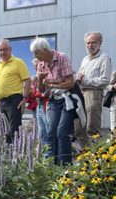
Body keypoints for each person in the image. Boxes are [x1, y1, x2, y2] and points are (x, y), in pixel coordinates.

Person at [30, 37, 84, 165]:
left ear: (45, 50)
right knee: (51, 131)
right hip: (54, 99)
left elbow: (71, 83)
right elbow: (42, 90)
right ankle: (52, 164)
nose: (35, 56)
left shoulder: (62, 58)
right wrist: (42, 81)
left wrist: (52, 85)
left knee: (62, 132)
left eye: (37, 53)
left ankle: (65, 164)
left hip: (68, 99)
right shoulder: (41, 64)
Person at [75, 31, 112, 141]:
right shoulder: (85, 59)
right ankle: (83, 152)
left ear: (99, 43)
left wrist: (85, 81)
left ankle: (95, 153)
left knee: (92, 125)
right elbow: (81, 75)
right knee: (79, 124)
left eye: (93, 42)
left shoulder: (104, 58)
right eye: (88, 43)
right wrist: (77, 77)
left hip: (94, 93)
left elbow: (105, 80)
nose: (90, 45)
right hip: (81, 93)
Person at [0, 39, 31, 144]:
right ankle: (7, 154)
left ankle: (16, 154)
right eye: (0, 50)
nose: (2, 52)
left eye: (4, 50)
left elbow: (27, 80)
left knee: (14, 130)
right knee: (3, 130)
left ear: (10, 49)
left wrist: (25, 98)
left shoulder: (18, 62)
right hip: (2, 102)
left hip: (14, 100)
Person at [31, 58, 50, 146]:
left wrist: (38, 94)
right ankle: (44, 152)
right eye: (34, 66)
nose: (36, 68)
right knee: (41, 131)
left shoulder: (45, 75)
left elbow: (43, 93)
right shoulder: (36, 77)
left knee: (46, 129)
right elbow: (34, 92)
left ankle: (49, 152)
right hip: (39, 105)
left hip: (46, 105)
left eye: (37, 66)